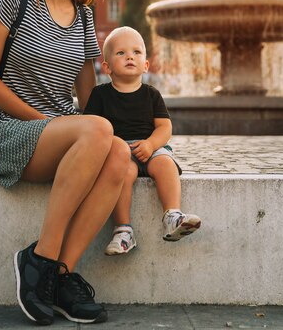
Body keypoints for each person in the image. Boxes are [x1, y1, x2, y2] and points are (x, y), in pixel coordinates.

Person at [0, 0, 130, 326]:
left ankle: (59, 275)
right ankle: (39, 257)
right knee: (96, 131)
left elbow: (88, 99)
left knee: (117, 153)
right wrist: (48, 124)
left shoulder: (83, 17)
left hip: (63, 137)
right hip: (10, 129)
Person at [84, 26, 201, 256]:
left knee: (166, 164)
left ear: (146, 65)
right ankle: (123, 231)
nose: (130, 56)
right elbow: (91, 127)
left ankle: (172, 216)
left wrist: (151, 144)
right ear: (106, 67)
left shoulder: (151, 94)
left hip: (150, 147)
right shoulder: (100, 95)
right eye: (121, 53)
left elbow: (164, 127)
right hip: (120, 153)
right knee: (122, 174)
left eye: (137, 52)